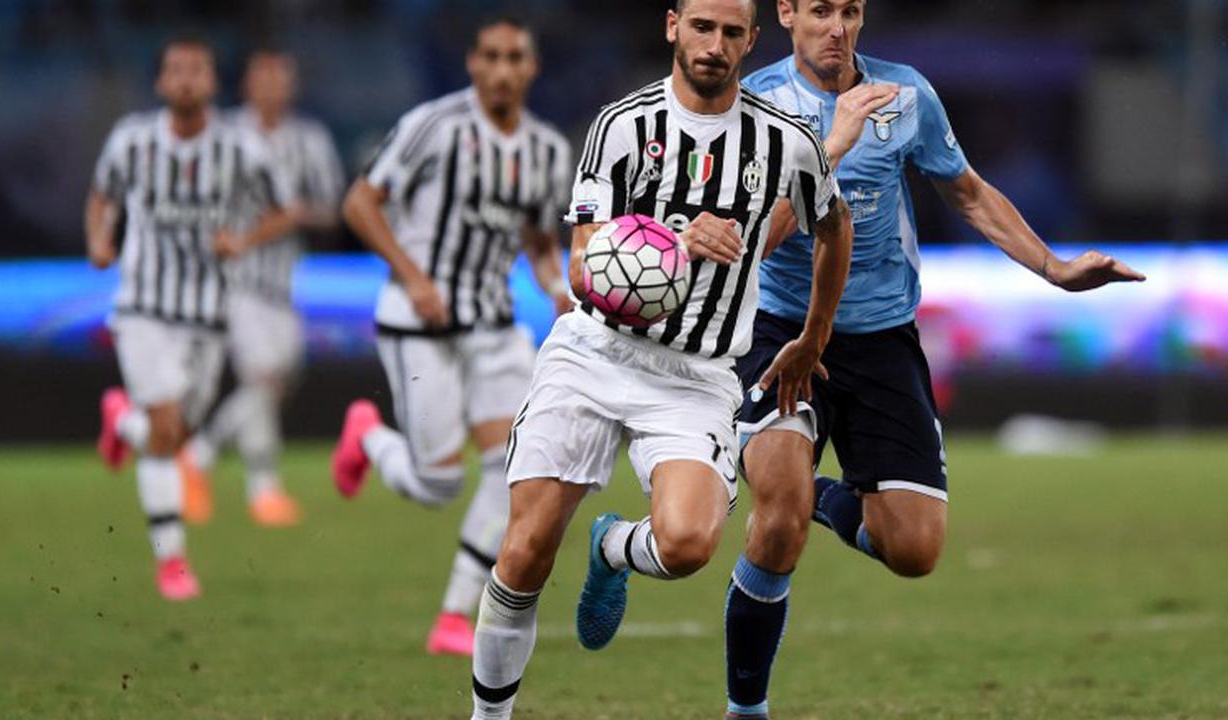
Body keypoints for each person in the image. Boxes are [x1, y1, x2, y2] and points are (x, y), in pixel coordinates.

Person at [722, 1, 1146, 717]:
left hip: (882, 337)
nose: (838, 27)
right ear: (787, 14)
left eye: (851, 10)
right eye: (821, 10)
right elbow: (755, 237)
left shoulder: (905, 93)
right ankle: (746, 709)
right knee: (779, 518)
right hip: (781, 333)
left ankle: (823, 496)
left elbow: (968, 193)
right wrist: (835, 144)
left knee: (914, 551)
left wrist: (1055, 268)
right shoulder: (757, 105)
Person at [469, 0, 853, 717]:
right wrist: (673, 243)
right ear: (673, 25)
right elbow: (583, 266)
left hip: (697, 376)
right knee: (523, 554)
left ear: (750, 41)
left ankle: (614, 546)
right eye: (702, 27)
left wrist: (814, 335)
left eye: (731, 32)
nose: (715, 45)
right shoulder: (621, 127)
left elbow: (834, 225)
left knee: (686, 544)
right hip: (596, 354)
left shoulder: (786, 143)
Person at [329, 15, 574, 656]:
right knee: (437, 485)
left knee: (517, 465)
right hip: (420, 324)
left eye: (514, 57)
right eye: (490, 56)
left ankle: (454, 615)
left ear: (531, 68)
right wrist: (413, 277)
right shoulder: (435, 126)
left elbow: (539, 242)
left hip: (494, 327)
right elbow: (360, 201)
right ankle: (368, 436)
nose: (501, 69)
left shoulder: (546, 151)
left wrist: (556, 287)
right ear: (473, 64)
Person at [90, 36, 295, 600]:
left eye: (197, 69)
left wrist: (245, 239)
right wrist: (99, 241)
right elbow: (101, 195)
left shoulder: (240, 149)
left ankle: (120, 421)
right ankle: (172, 560)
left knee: (175, 434)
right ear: (160, 83)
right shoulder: (132, 140)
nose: (186, 79)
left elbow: (284, 211)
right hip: (144, 310)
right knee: (164, 433)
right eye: (175, 69)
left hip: (208, 315)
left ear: (212, 81)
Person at [181, 48, 346, 528]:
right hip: (233, 279)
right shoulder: (226, 133)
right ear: (247, 84)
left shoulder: (309, 139)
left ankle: (204, 454)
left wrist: (293, 214)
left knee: (279, 376)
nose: (273, 87)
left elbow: (330, 206)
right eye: (264, 77)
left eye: (282, 78)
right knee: (264, 375)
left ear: (292, 86)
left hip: (282, 280)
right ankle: (258, 486)